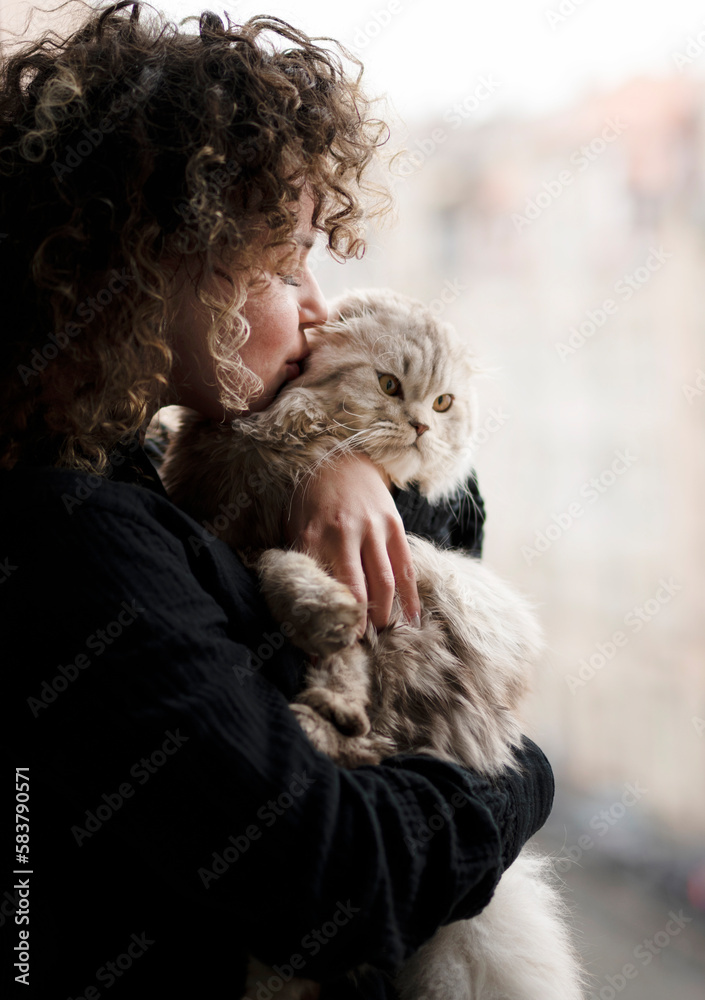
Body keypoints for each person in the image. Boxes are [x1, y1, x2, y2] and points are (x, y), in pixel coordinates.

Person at [0, 3, 555, 998]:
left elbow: (447, 526)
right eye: (284, 264)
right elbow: (339, 875)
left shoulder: (120, 470)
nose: (316, 306)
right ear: (154, 258)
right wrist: (520, 781)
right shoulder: (73, 541)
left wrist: (324, 460)